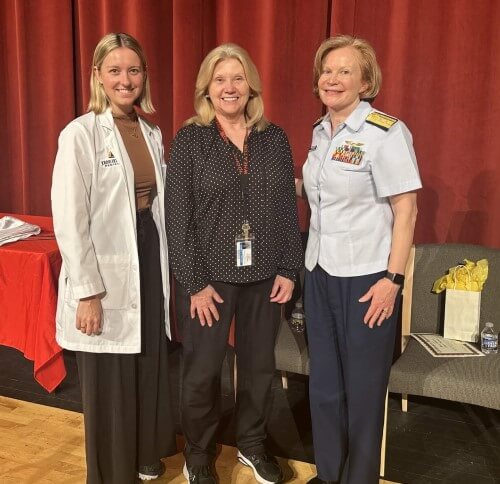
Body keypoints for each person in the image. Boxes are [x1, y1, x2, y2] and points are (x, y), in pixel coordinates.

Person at [165, 43, 303, 484]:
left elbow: (286, 208)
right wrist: (193, 282)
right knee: (203, 371)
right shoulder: (191, 139)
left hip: (265, 276)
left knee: (259, 368)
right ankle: (200, 453)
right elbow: (177, 216)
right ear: (206, 88)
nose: (229, 87)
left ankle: (252, 445)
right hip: (210, 279)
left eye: (238, 78)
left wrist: (289, 267)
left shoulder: (274, 137)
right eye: (220, 79)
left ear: (251, 86)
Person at [296, 35, 422, 484]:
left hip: (368, 278)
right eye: (327, 70)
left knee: (364, 390)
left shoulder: (385, 133)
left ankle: (360, 478)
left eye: (345, 71)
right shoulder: (319, 131)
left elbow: (406, 210)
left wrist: (394, 279)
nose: (333, 79)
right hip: (320, 272)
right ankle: (329, 474)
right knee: (325, 386)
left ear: (365, 80)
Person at [51, 32, 176, 484]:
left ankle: (145, 453)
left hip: (146, 250)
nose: (126, 80)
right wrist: (88, 291)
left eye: (134, 70)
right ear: (98, 77)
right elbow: (69, 220)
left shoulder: (151, 131)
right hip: (104, 264)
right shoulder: (80, 134)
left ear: (144, 76)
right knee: (109, 375)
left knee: (146, 357)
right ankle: (109, 473)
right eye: (116, 70)